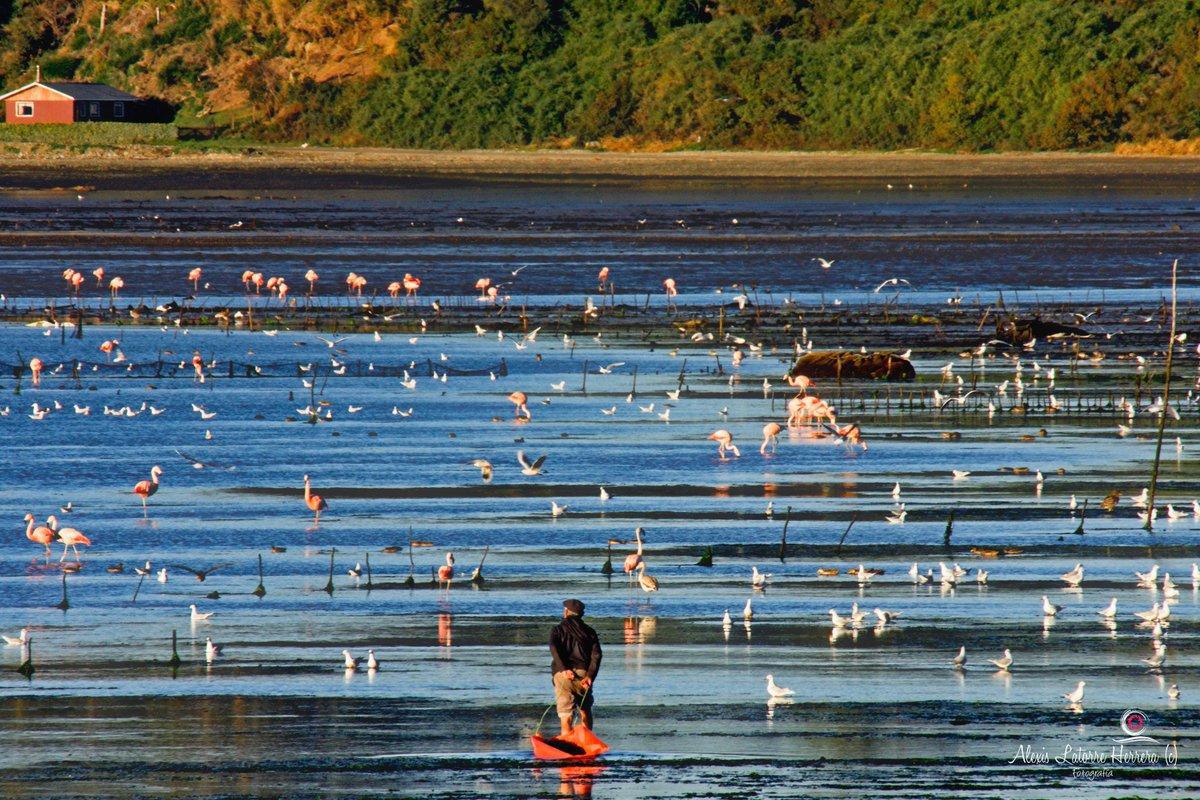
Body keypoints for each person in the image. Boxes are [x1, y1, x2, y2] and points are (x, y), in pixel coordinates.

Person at [550, 598, 602, 735]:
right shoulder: (590, 631)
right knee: (585, 710)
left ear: (566, 612)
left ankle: (567, 747)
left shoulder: (557, 630)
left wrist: (564, 669)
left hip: (563, 677)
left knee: (566, 715)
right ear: (581, 614)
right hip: (584, 675)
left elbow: (554, 649)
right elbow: (596, 655)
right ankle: (586, 742)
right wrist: (590, 676)